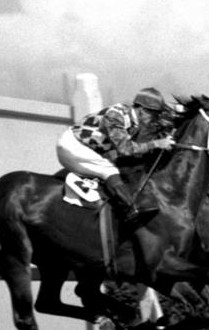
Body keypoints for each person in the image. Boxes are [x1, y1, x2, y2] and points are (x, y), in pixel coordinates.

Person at [57, 87, 176, 228]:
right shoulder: (116, 115)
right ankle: (131, 209)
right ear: (140, 109)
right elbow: (125, 149)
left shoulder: (134, 121)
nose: (154, 118)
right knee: (109, 170)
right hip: (72, 145)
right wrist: (156, 144)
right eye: (153, 114)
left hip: (88, 147)